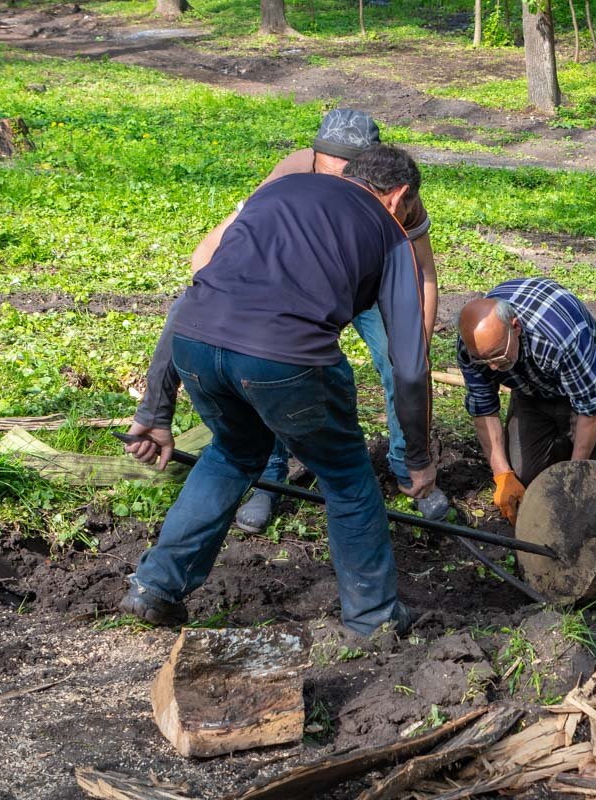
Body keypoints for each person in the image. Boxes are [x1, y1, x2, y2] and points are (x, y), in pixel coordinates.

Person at [119, 145, 435, 636]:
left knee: (231, 452)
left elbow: (192, 295)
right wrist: (416, 457)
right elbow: (410, 363)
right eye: (410, 211)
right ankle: (373, 620)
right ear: (398, 198)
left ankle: (156, 585)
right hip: (288, 360)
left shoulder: (276, 193)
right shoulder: (388, 231)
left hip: (197, 345)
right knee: (348, 478)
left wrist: (156, 410)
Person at [157, 108, 448, 532]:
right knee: (267, 361)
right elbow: (208, 255)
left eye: (351, 176)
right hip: (298, 286)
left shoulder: (397, 194)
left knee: (397, 362)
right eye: (330, 172)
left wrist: (412, 353)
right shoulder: (289, 173)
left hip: (372, 278)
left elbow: (421, 273)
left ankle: (409, 467)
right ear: (313, 157)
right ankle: (270, 478)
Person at [456, 278, 596, 524]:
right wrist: (501, 474)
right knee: (523, 478)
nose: (494, 367)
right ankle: (560, 447)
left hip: (588, 385)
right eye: (484, 361)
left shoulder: (558, 338)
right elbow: (483, 408)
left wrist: (574, 475)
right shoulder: (474, 348)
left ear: (515, 327)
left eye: (498, 356)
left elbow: (590, 409)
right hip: (532, 389)